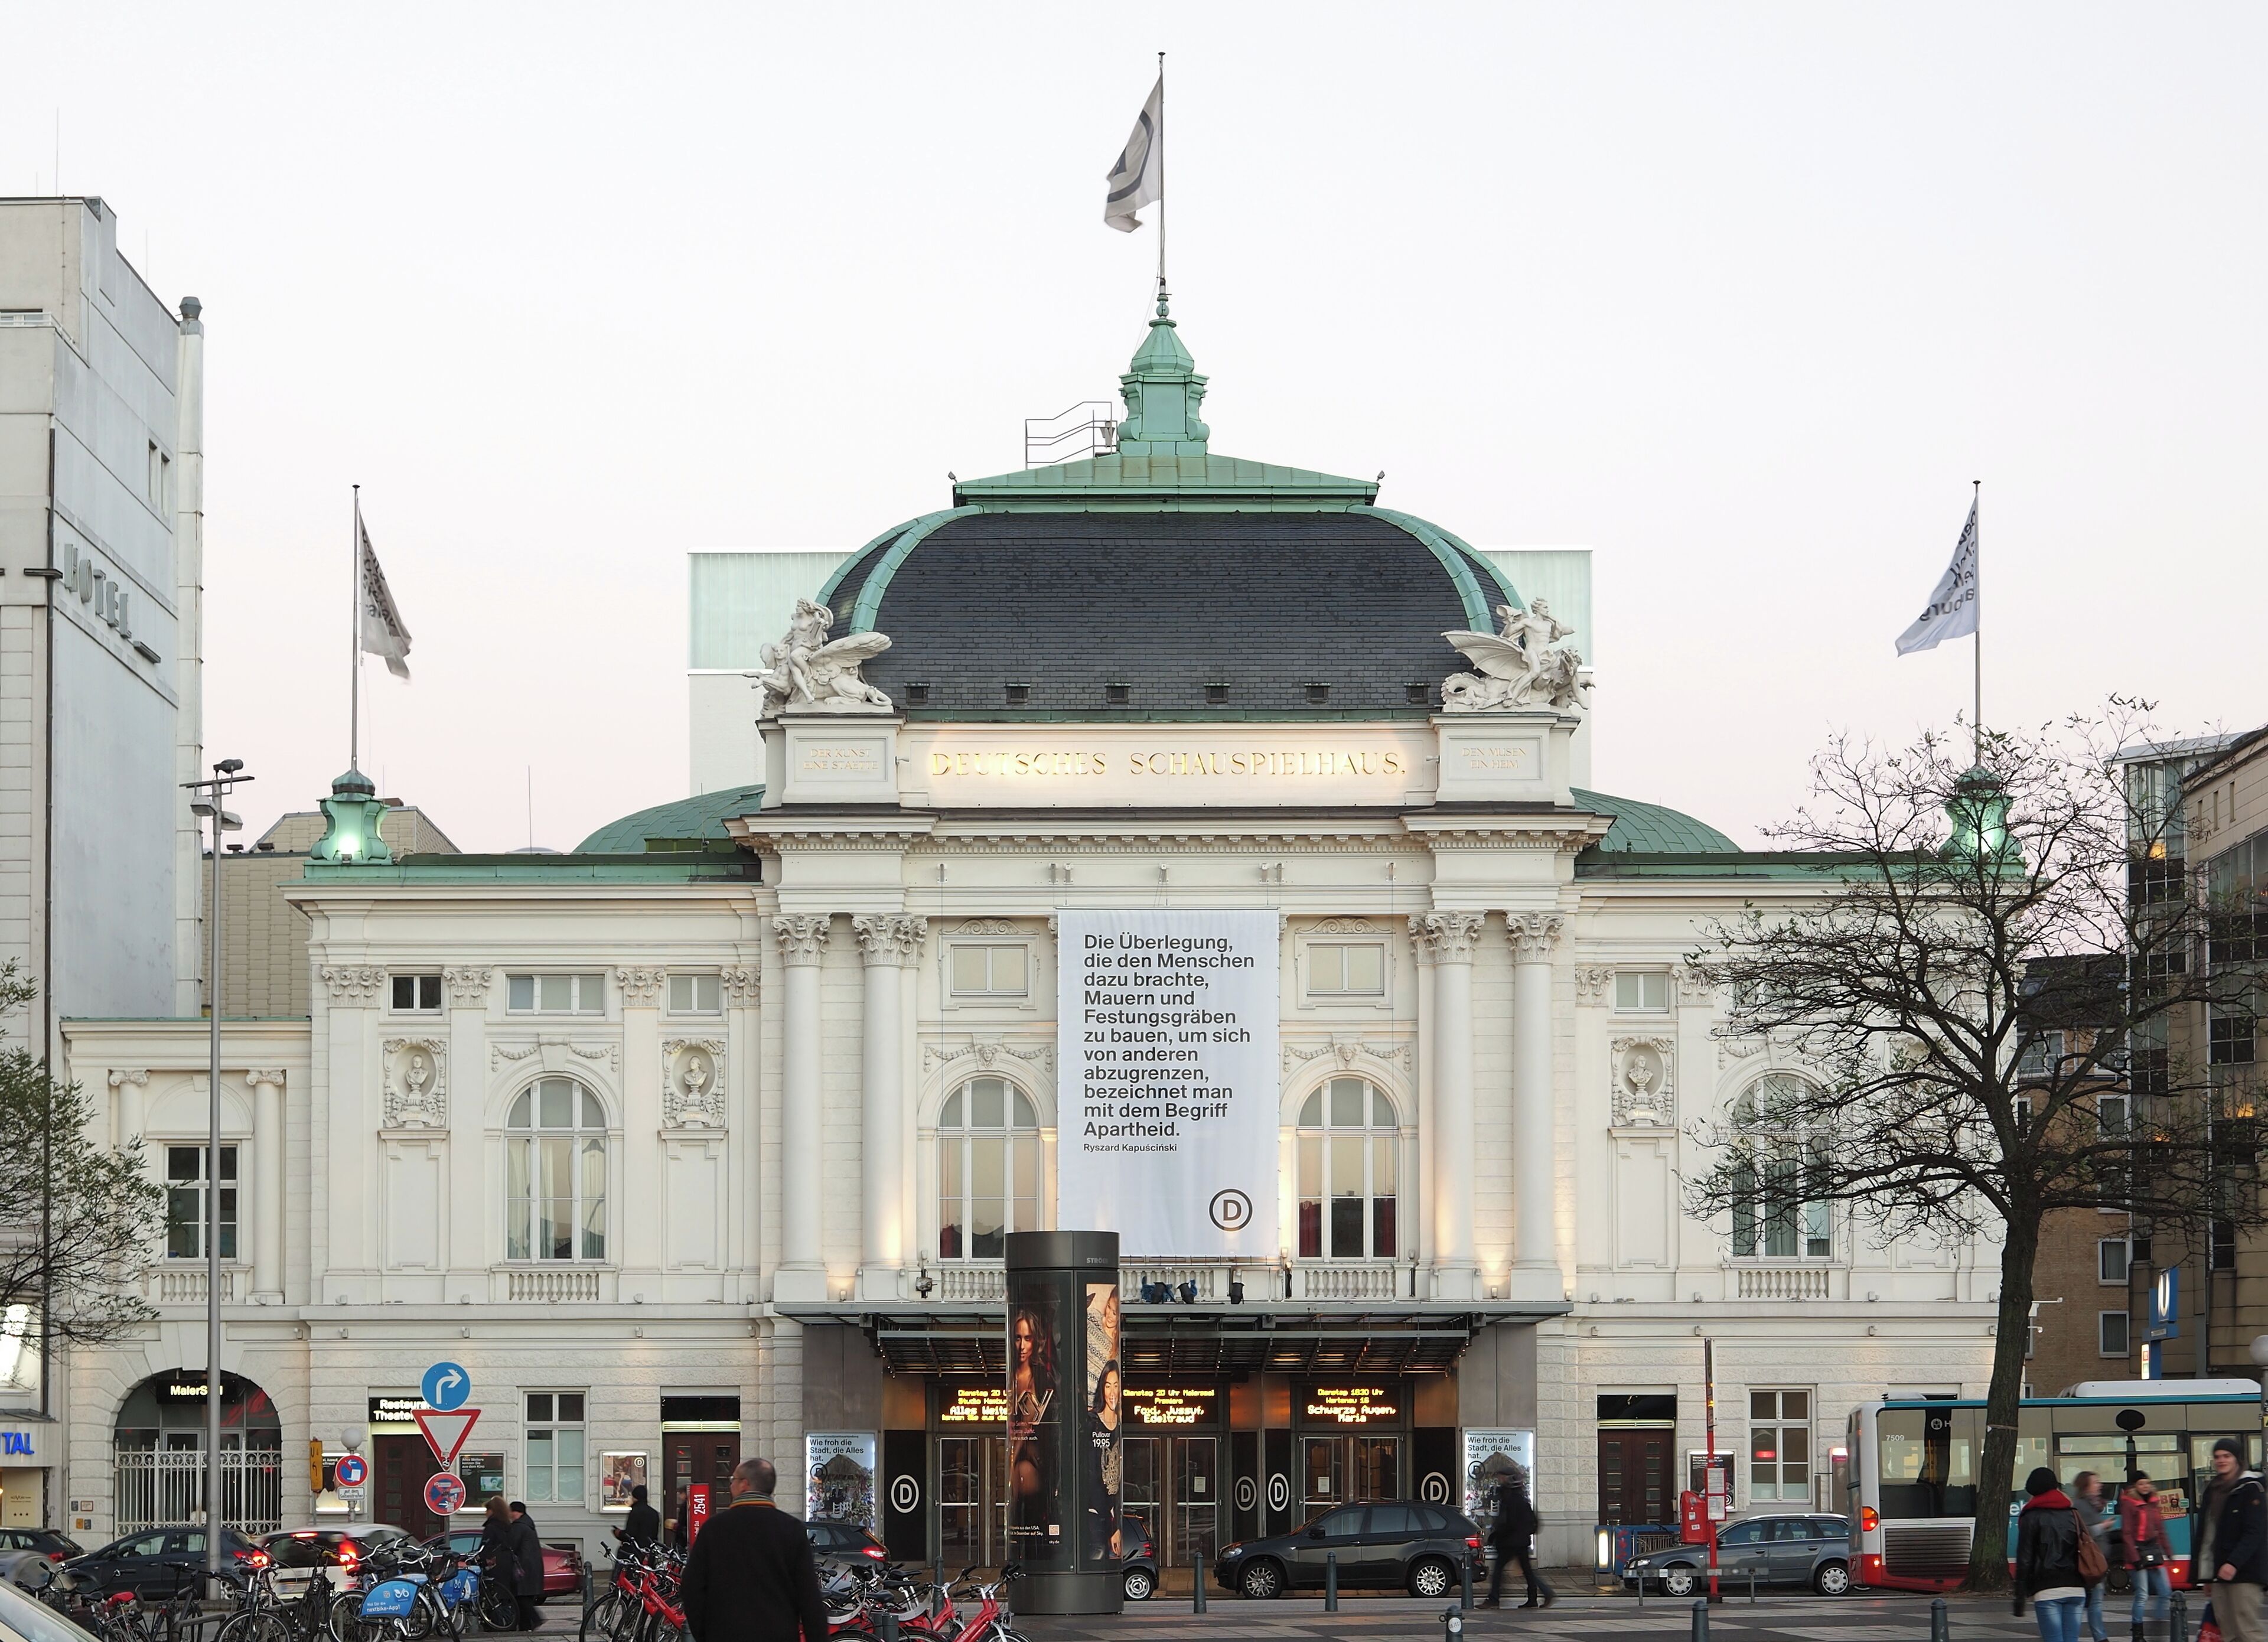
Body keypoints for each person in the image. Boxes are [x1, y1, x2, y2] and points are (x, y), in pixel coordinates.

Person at [677, 1457, 827, 1642]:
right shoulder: (792, 1529)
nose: (731, 1484)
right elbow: (809, 1597)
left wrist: (705, 1633)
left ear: (744, 1485)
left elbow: (692, 1587)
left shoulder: (715, 1529)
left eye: (733, 1480)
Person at [2194, 1439, 2266, 1642]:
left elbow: (2255, 1532)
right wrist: (2206, 1576)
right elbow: (2207, 1535)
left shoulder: (2251, 1488)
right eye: (2217, 1457)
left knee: (2247, 1631)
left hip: (2245, 1573)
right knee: (2226, 1633)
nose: (2221, 1461)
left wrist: (2234, 1563)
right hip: (2219, 1574)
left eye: (2227, 1456)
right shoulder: (2214, 1489)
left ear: (2237, 1460)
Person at [2016, 1467, 2088, 1642]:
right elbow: (2084, 1549)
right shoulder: (2073, 1513)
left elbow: (2025, 1558)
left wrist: (2020, 1593)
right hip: (2076, 1588)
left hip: (2047, 1589)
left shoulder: (2030, 1516)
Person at [1480, 1466, 1555, 1610]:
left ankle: (1494, 1599)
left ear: (1508, 1479)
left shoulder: (1510, 1498)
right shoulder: (1518, 1498)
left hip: (1510, 1542)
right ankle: (1538, 1596)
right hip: (1519, 1541)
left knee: (1499, 1570)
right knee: (1527, 1571)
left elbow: (1508, 1522)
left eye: (1501, 1477)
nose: (1499, 1480)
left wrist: (1496, 1535)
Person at [2120, 1474, 2173, 1642]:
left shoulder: (2153, 1502)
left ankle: (2157, 1623)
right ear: (2135, 1487)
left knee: (2166, 1591)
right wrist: (2135, 1559)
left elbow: (2160, 1529)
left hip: (2153, 1550)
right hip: (2137, 1552)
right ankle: (2138, 1634)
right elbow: (2127, 1533)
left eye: (2147, 1483)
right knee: (2142, 1595)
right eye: (2141, 1483)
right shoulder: (2129, 1503)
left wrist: (2169, 1552)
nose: (2145, 1486)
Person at [2075, 1472, 2112, 1642]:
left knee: (2093, 1603)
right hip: (2091, 1564)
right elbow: (2083, 1532)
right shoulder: (2081, 1506)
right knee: (2092, 1603)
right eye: (2096, 1482)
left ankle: (2099, 1637)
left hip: (2098, 1563)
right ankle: (2100, 1638)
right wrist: (2103, 1527)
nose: (2099, 1485)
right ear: (2086, 1486)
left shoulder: (2093, 1505)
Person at [477, 1497, 520, 1631]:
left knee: (492, 1596)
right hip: (507, 1565)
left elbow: (486, 1548)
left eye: (487, 1510)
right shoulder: (508, 1526)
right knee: (504, 1597)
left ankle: (494, 1625)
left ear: (492, 1511)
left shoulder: (492, 1527)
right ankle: (508, 1623)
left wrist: (480, 1559)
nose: (486, 1513)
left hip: (495, 1567)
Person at [507, 1501, 546, 1633]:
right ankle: (525, 1627)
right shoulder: (528, 1525)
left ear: (515, 1512)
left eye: (511, 1511)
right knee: (524, 1598)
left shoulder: (519, 1527)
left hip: (523, 1568)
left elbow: (511, 1546)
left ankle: (535, 1619)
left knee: (521, 1597)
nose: (510, 1515)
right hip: (531, 1568)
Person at [615, 1484, 661, 1550]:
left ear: (635, 1498)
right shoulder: (654, 1513)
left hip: (636, 1550)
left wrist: (620, 1534)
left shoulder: (635, 1512)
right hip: (650, 1550)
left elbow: (630, 1534)